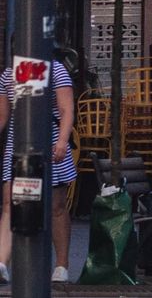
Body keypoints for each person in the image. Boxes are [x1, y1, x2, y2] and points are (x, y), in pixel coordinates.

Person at [0, 51, 77, 284]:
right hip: (18, 143)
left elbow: (66, 109)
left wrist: (63, 140)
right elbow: (3, 114)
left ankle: (62, 264)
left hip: (51, 141)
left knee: (56, 206)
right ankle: (2, 262)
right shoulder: (8, 75)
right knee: (9, 203)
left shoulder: (56, 69)